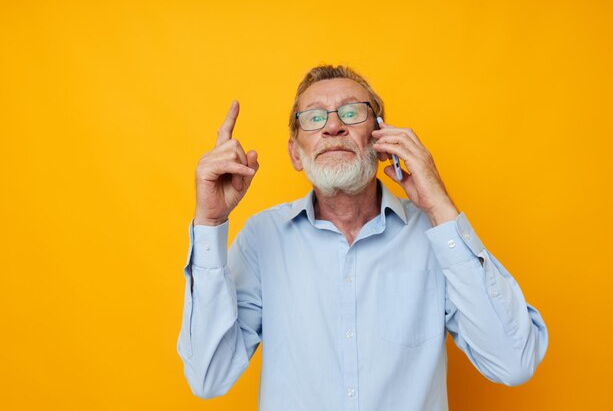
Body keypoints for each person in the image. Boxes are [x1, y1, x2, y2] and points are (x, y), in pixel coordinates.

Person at [176, 65, 548, 411]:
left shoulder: (434, 237)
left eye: (352, 112)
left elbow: (514, 362)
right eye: (314, 117)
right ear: (296, 154)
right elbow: (209, 377)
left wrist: (441, 208)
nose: (333, 127)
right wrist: (210, 222)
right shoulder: (262, 237)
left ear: (381, 137)